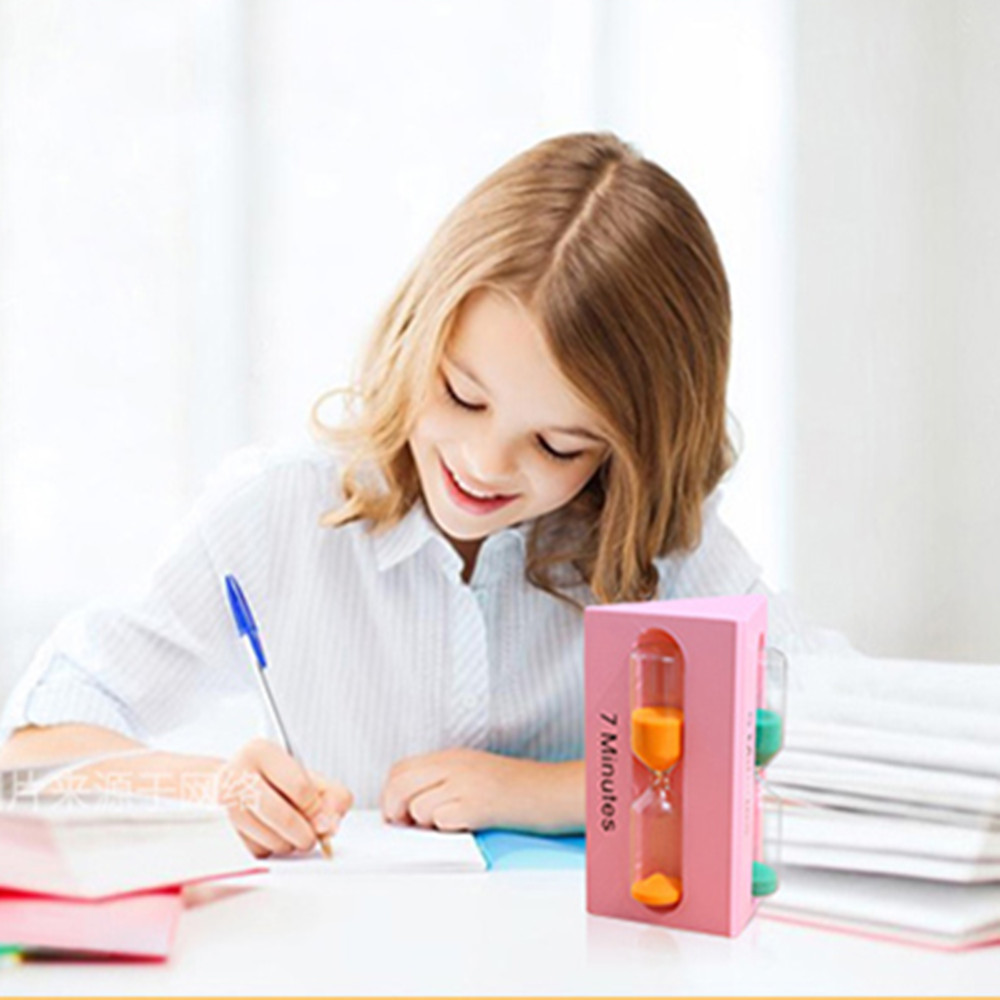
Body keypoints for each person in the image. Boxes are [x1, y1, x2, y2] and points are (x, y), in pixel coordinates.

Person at [0, 132, 846, 858]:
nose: (483, 464)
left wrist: (553, 791)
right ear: (418, 332)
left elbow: (849, 755)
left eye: (558, 445)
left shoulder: (663, 547)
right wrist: (211, 787)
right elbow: (33, 749)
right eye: (461, 394)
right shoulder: (283, 513)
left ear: (631, 453)